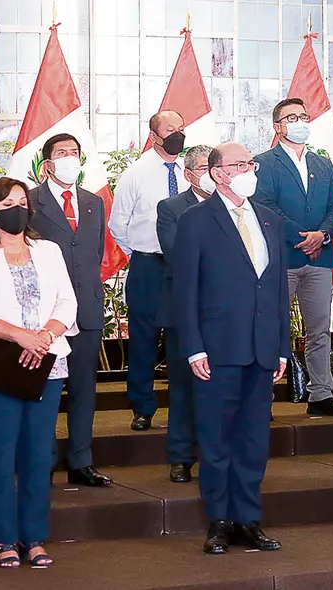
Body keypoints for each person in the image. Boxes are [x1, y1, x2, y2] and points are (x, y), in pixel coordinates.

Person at [173, 142, 289, 555]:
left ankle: (248, 519)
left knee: (254, 441)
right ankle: (219, 522)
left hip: (261, 351)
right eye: (240, 164)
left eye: (250, 163)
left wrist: (280, 348)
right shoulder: (196, 221)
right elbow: (185, 291)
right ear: (219, 173)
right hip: (216, 350)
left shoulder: (270, 220)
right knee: (217, 441)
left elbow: (276, 290)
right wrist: (194, 348)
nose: (249, 170)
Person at [0, 177, 78, 568]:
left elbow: (67, 302)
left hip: (47, 360)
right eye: (9, 204)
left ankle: (34, 537)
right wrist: (21, 337)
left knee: (38, 455)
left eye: (23, 202)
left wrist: (43, 337)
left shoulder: (49, 250)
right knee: (0, 454)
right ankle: (5, 539)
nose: (19, 209)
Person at [253, 98, 333, 417]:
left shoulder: (323, 164)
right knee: (272, 327)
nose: (299, 122)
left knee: (319, 329)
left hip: (319, 257)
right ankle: (262, 396)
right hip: (282, 258)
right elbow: (265, 205)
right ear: (277, 126)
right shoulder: (263, 163)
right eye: (291, 117)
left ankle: (320, 394)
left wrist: (321, 235)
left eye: (303, 116)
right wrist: (302, 237)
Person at [28, 133, 113, 487]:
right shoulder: (31, 202)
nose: (69, 158)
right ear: (47, 164)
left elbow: (94, 253)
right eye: (61, 153)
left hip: (88, 309)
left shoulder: (94, 202)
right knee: (45, 389)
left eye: (74, 153)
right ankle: (42, 460)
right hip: (47, 314)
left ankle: (81, 460)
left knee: (84, 387)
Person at [109, 110, 189, 432]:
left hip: (185, 268)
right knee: (142, 340)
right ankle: (142, 407)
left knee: (182, 340)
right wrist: (141, 253)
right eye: (170, 129)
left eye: (180, 128)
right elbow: (118, 224)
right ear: (155, 136)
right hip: (148, 265)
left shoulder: (191, 170)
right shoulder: (136, 172)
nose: (177, 134)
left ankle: (182, 410)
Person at [157, 144, 212, 483]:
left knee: (219, 388)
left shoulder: (239, 205)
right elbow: (177, 254)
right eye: (205, 167)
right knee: (182, 387)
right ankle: (181, 456)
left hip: (226, 315)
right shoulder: (171, 208)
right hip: (184, 311)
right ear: (190, 174)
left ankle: (215, 454)